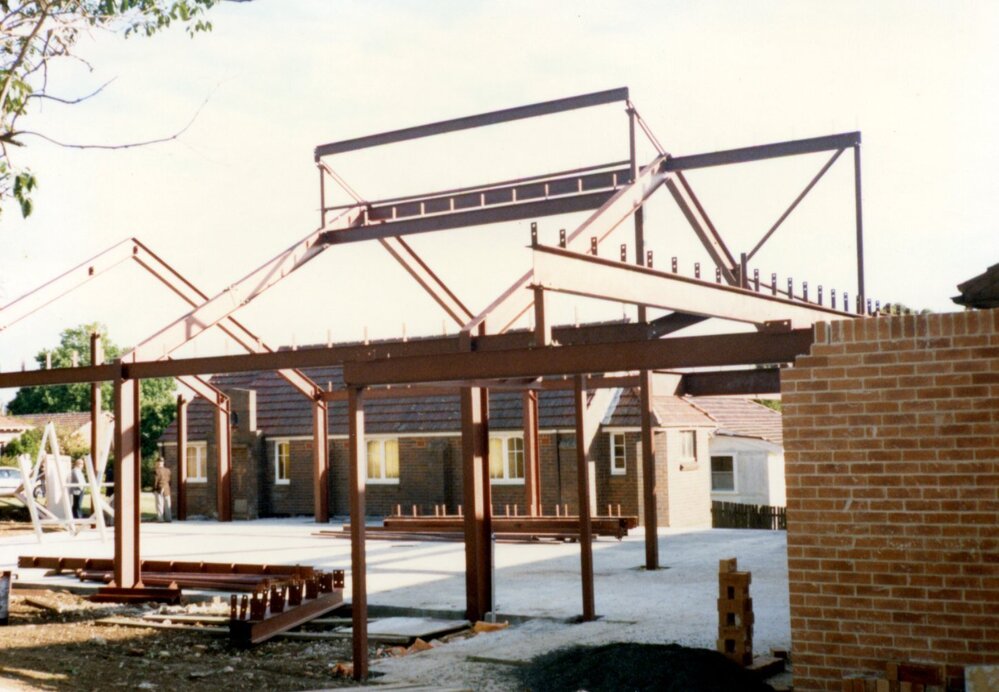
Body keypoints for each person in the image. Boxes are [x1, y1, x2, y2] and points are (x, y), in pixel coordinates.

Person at [153, 457, 172, 522]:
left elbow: (155, 481)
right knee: (167, 504)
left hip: (159, 488)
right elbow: (169, 480)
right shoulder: (168, 470)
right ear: (163, 462)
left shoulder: (156, 470)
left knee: (159, 504)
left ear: (157, 463)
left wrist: (154, 489)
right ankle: (168, 519)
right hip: (167, 488)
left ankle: (160, 519)